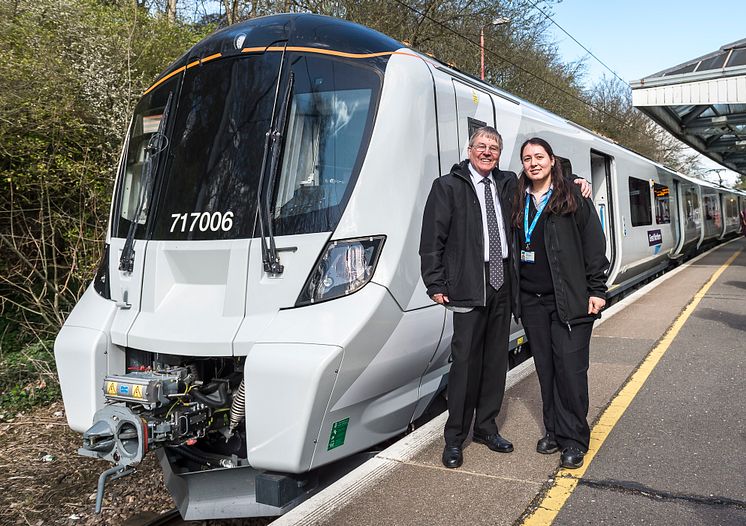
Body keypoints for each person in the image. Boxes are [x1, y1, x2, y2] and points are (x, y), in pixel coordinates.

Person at [420, 126, 516, 468]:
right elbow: (433, 239)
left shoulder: (508, 184)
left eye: (493, 147)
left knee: (495, 361)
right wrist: (435, 282)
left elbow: (546, 178)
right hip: (467, 285)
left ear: (499, 153)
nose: (487, 151)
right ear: (469, 149)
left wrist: (577, 179)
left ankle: (486, 428)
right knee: (464, 364)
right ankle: (455, 438)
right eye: (481, 145)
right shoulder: (447, 186)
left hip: (502, 282)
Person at [511, 137, 609, 469]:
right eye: (527, 158)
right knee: (547, 370)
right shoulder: (517, 199)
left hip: (570, 301)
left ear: (553, 161)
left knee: (570, 371)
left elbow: (595, 245)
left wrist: (597, 289)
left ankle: (574, 439)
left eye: (539, 156)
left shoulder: (572, 197)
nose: (533, 162)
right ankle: (553, 431)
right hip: (533, 303)